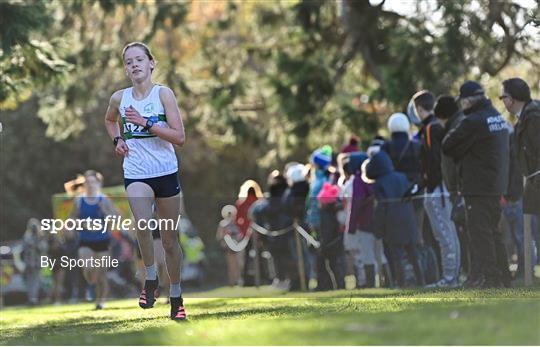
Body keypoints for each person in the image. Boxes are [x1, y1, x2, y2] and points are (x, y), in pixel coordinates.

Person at [103, 42, 187, 320]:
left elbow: (179, 137)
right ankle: (150, 278)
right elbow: (109, 120)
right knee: (141, 222)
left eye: (140, 59)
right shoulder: (119, 98)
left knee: (169, 241)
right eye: (129, 62)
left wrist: (145, 123)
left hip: (165, 171)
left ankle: (175, 296)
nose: (135, 65)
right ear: (126, 69)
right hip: (136, 171)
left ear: (151, 63)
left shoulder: (164, 94)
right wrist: (117, 140)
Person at [442, 80, 511, 288]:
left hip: (477, 185)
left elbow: (448, 145)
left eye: (462, 102)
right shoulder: (496, 116)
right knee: (493, 232)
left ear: (468, 100)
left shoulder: (473, 120)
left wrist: (463, 150)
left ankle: (491, 278)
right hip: (496, 184)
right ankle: (504, 277)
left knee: (480, 234)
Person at [413, 91, 461, 288]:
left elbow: (435, 160)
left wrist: (429, 182)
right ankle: (451, 276)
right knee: (446, 234)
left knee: (445, 234)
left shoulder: (432, 128)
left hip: (438, 188)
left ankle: (450, 278)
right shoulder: (433, 127)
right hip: (440, 187)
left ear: (419, 109)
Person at [366, 151, 425, 287]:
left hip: (392, 223)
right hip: (409, 220)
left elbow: (380, 208)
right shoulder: (402, 177)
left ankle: (402, 284)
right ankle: (421, 282)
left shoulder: (379, 184)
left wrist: (377, 228)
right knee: (414, 255)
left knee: (397, 257)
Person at [500, 78, 540, 275]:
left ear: (513, 98)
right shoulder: (526, 117)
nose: (502, 101)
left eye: (503, 96)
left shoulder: (533, 117)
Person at [68, 170, 118, 309]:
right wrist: (74, 226)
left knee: (101, 275)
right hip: (85, 240)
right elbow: (72, 217)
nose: (90, 185)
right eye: (87, 182)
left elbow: (115, 218)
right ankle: (91, 283)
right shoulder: (79, 200)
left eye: (93, 182)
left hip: (103, 240)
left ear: (98, 183)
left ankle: (100, 301)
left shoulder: (104, 199)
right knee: (89, 270)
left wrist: (106, 212)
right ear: (84, 184)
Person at [434, 95, 470, 276]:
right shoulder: (461, 124)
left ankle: (472, 272)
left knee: (466, 234)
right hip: (463, 187)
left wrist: (454, 189)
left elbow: (451, 165)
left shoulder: (455, 129)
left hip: (461, 188)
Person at [22, 218, 48, 305]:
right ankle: (32, 299)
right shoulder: (27, 237)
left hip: (36, 263)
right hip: (30, 263)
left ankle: (33, 299)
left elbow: (44, 248)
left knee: (35, 281)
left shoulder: (39, 237)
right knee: (32, 281)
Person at [216, 205, 242, 286]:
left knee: (239, 263)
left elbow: (240, 234)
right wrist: (224, 243)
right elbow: (219, 236)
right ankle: (232, 281)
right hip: (228, 247)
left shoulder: (237, 222)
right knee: (231, 265)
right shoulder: (223, 224)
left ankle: (238, 280)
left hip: (238, 245)